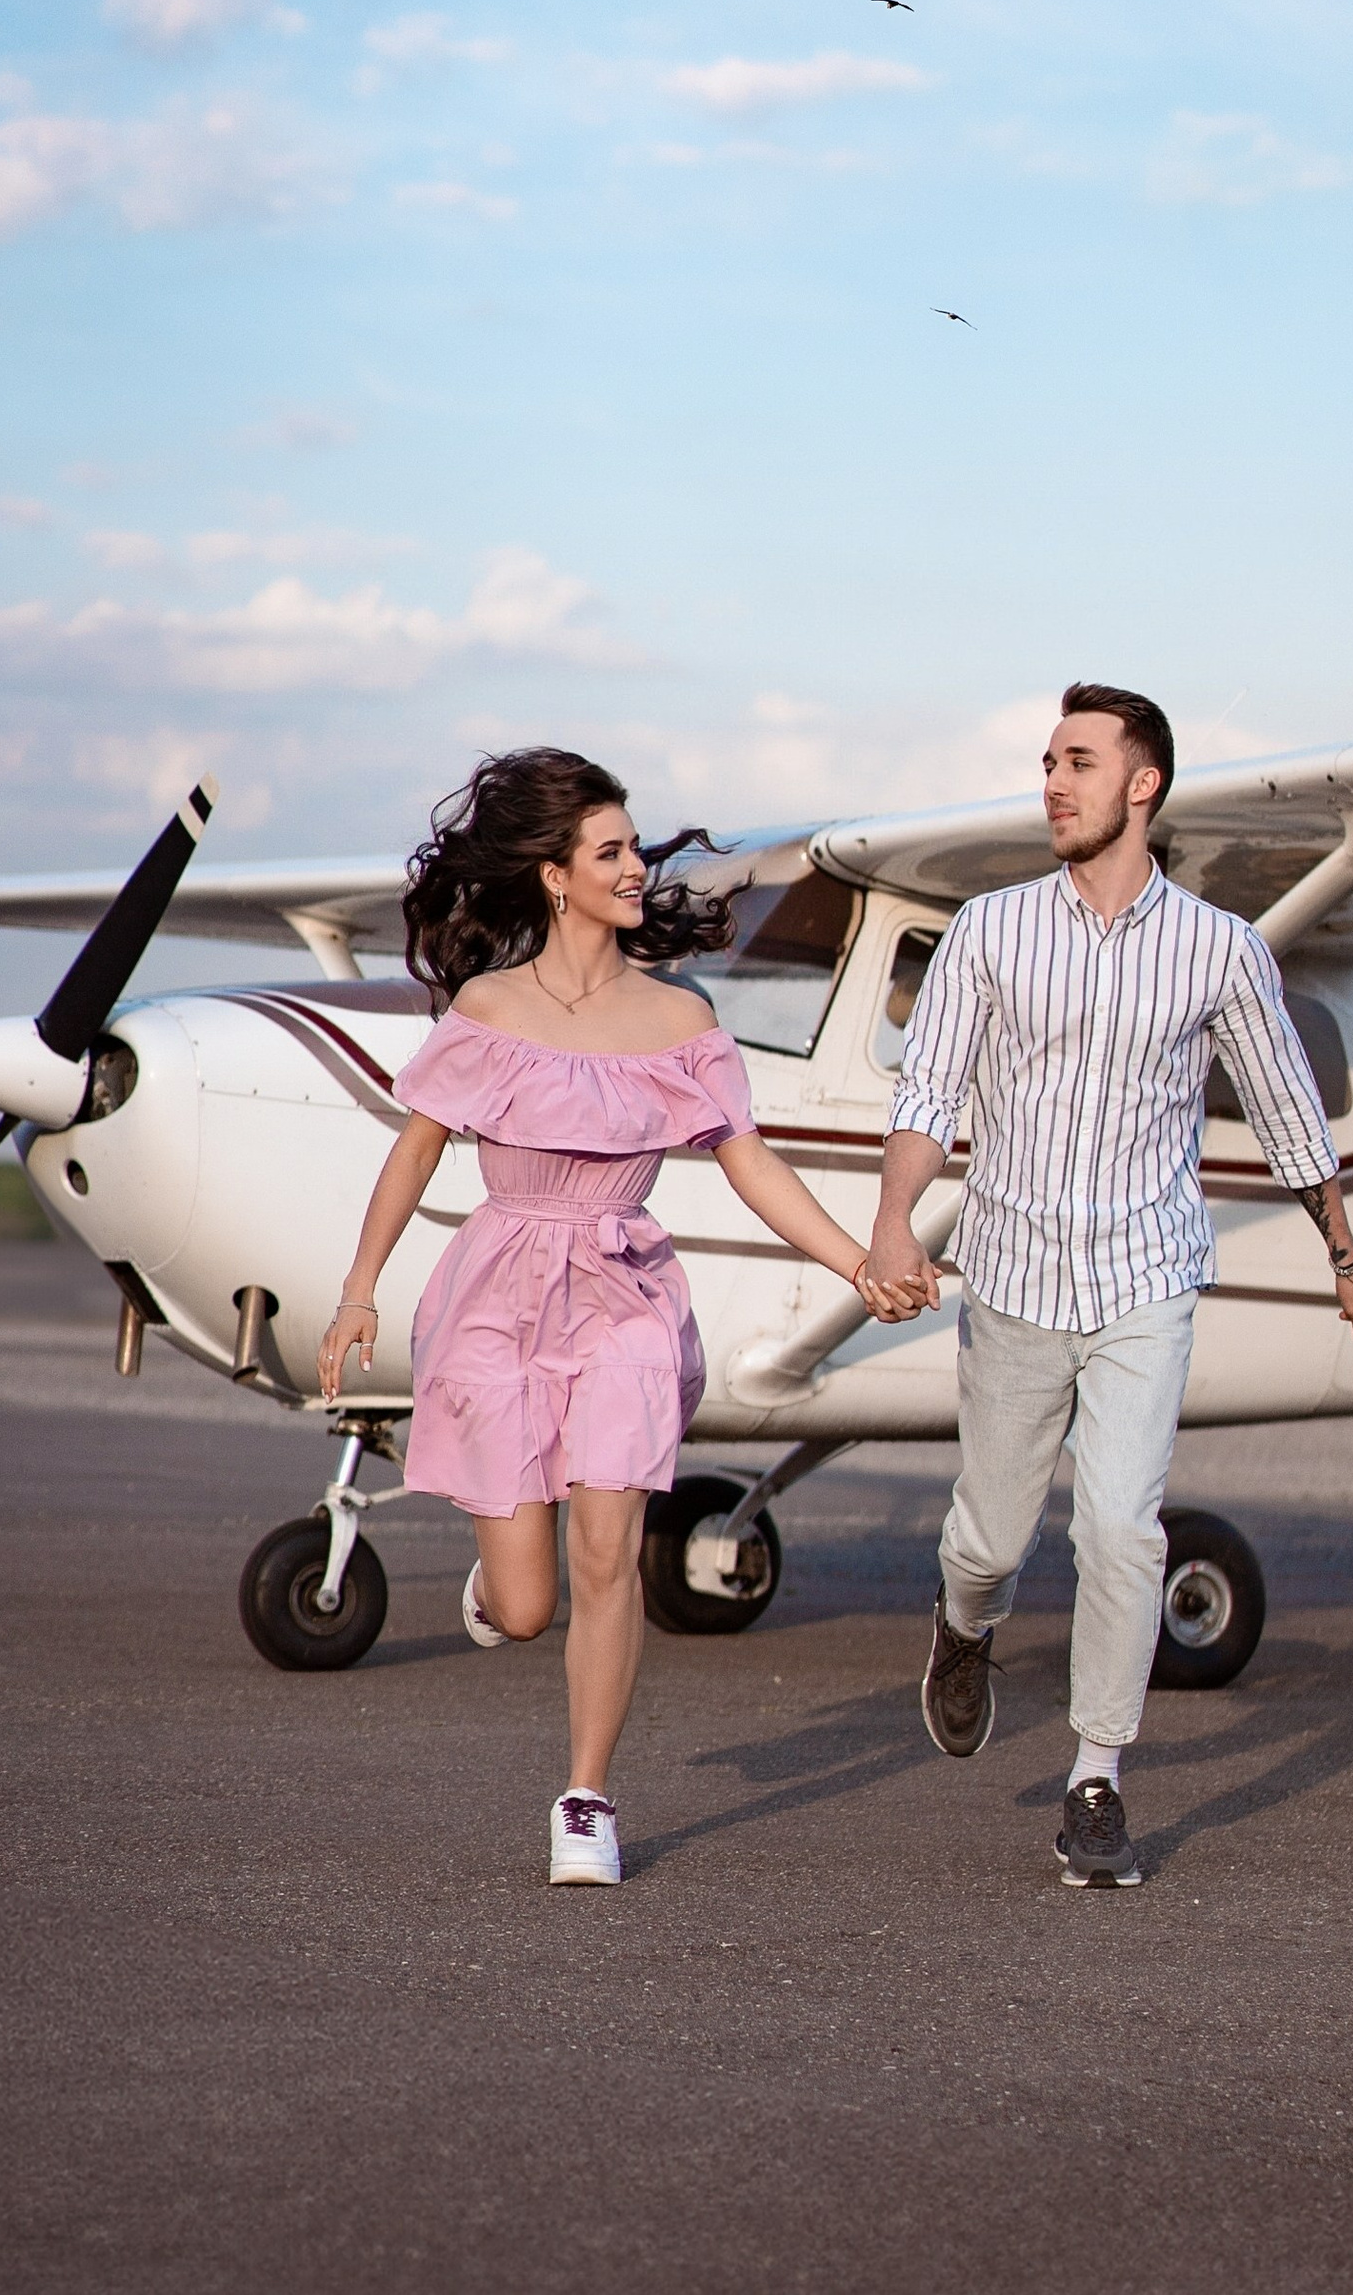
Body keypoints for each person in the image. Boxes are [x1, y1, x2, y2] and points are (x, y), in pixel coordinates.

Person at [318, 749, 906, 1889]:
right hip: (498, 1291)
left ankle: (585, 1797)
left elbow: (751, 1164)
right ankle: (495, 1590)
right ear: (554, 876)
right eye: (612, 850)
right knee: (526, 1607)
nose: (638, 867)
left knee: (608, 1552)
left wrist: (858, 1264)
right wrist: (359, 1290)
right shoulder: (490, 1008)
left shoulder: (678, 1017)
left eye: (635, 847)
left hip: (624, 1295)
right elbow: (414, 1154)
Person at [862, 683, 1353, 1890]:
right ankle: (964, 1625)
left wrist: (1344, 1253)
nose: (1052, 782)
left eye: (1079, 762)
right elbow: (928, 1094)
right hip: (1011, 1272)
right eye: (1048, 761)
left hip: (1147, 1276)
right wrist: (892, 1227)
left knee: (1118, 1528)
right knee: (989, 1540)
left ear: (1141, 784)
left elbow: (1285, 1108)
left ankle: (1095, 1777)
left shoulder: (1220, 949)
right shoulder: (988, 931)